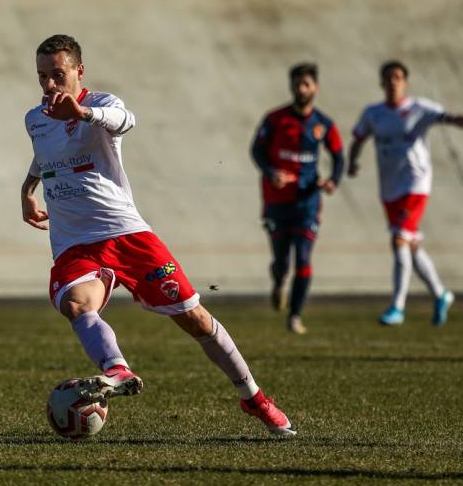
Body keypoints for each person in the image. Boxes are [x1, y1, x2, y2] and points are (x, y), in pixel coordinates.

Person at [22, 34, 295, 436]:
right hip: (73, 242)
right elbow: (44, 155)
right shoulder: (35, 118)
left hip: (127, 235)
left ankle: (253, 397)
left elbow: (125, 121)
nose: (49, 85)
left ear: (79, 72)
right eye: (42, 76)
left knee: (196, 320)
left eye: (57, 75)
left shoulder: (101, 106)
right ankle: (116, 369)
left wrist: (80, 112)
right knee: (78, 306)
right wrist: (27, 190)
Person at [348, 60, 463, 326]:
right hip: (389, 188)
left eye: (397, 77)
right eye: (388, 77)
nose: (392, 81)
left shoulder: (419, 108)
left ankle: (397, 307)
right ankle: (441, 294)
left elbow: (453, 118)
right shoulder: (373, 113)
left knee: (399, 239)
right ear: (381, 82)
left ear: (405, 82)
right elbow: (359, 138)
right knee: (409, 245)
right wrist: (352, 162)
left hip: (415, 184)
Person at [251, 63, 343, 334]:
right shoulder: (275, 119)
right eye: (297, 84)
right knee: (282, 261)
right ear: (291, 86)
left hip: (308, 202)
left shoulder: (324, 124)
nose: (301, 89)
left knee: (303, 258)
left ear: (315, 87)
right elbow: (256, 150)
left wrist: (332, 181)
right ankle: (279, 281)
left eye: (306, 84)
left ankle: (295, 315)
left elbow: (338, 156)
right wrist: (270, 172)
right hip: (276, 201)